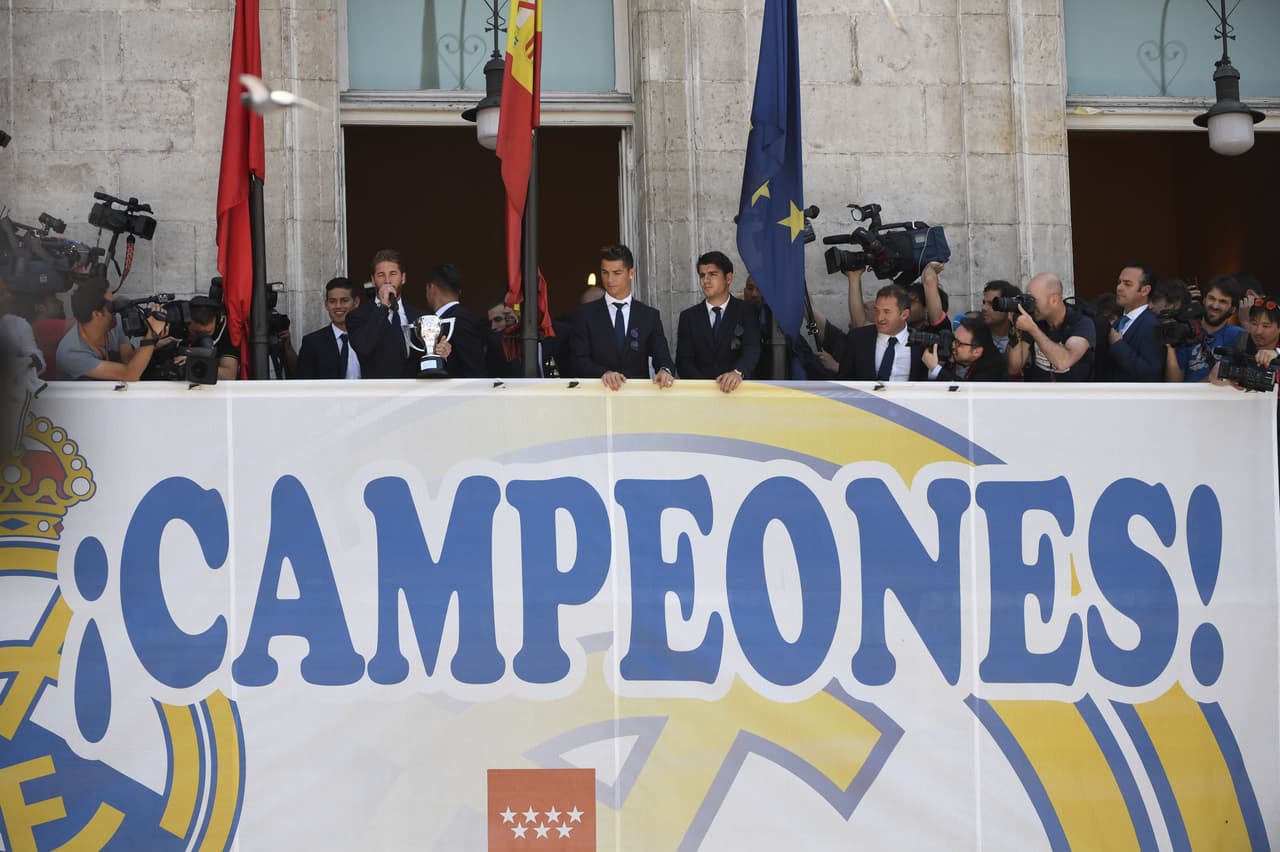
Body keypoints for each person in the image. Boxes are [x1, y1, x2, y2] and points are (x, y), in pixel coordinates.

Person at [568, 244, 674, 390]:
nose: (609, 279)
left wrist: (665, 371)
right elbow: (577, 360)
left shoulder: (649, 315)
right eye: (605, 273)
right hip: (598, 394)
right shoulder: (585, 314)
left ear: (631, 273)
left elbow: (663, 358)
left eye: (617, 273)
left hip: (637, 396)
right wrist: (603, 373)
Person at [675, 251, 760, 393]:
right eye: (702, 275)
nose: (705, 280)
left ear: (728, 278)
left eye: (712, 274)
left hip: (739, 392)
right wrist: (707, 388)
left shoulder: (747, 312)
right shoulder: (688, 317)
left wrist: (737, 373)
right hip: (701, 395)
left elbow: (752, 349)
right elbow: (684, 361)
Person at [55, 278, 167, 380]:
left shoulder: (115, 322)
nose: (117, 309)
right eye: (112, 305)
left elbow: (129, 360)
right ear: (97, 314)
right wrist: (151, 335)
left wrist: (154, 343)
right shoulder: (71, 354)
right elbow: (129, 375)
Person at [346, 249, 424, 378]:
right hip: (377, 389)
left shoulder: (419, 316)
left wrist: (441, 352)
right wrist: (383, 307)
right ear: (373, 280)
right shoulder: (357, 316)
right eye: (381, 275)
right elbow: (364, 347)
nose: (387, 280)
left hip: (412, 389)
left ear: (403, 278)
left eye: (393, 274)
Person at [1006, 272, 1095, 382]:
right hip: (1040, 392)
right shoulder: (1035, 321)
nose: (1030, 305)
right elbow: (1014, 368)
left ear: (1054, 300)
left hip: (1073, 392)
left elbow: (1064, 362)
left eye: (1033, 300)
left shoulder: (1082, 323)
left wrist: (1033, 329)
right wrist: (1015, 328)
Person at [836, 284, 926, 381]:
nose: (879, 318)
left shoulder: (922, 343)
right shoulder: (858, 339)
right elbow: (844, 381)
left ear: (904, 314)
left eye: (887, 312)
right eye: (877, 311)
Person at [1166, 275, 1244, 382]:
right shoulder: (1186, 330)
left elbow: (1240, 382)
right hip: (1188, 393)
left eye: (1223, 302)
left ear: (1233, 309)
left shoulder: (1239, 335)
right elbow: (1174, 384)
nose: (1215, 306)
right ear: (1204, 300)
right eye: (1212, 298)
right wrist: (1170, 346)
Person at [425, 263, 485, 378]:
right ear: (459, 291)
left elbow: (474, 369)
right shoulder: (462, 317)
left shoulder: (461, 320)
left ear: (432, 288)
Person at [295, 277, 363, 380]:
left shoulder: (369, 338)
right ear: (326, 305)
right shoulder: (312, 343)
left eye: (344, 300)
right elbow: (303, 384)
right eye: (332, 301)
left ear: (356, 302)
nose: (338, 306)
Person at [1107, 263, 1162, 382]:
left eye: (1127, 284)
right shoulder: (1119, 322)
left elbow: (1151, 373)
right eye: (1119, 282)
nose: (1119, 288)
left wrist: (1118, 345)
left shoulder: (1152, 325)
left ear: (1145, 290)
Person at [922, 316, 1005, 381]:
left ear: (976, 351)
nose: (953, 345)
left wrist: (935, 368)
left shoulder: (993, 366)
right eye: (954, 339)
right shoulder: (950, 353)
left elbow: (966, 390)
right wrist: (940, 363)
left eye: (958, 343)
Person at [980, 280, 1020, 354]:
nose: (984, 308)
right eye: (984, 302)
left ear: (1008, 306)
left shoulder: (1023, 339)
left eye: (991, 304)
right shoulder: (976, 335)